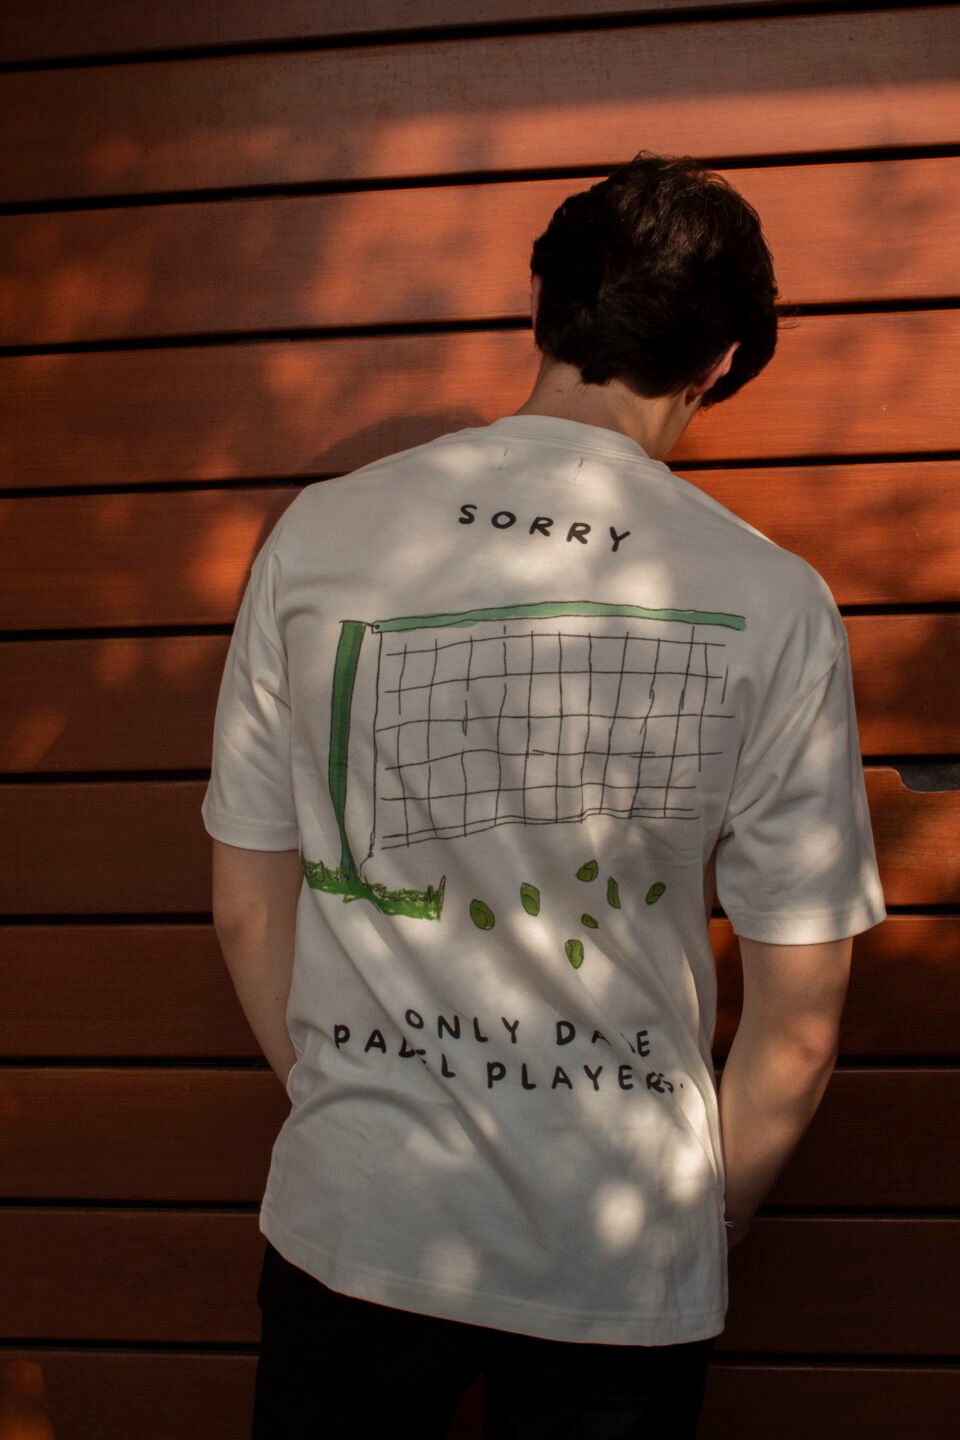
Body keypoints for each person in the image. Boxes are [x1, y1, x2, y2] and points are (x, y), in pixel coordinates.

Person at [201, 150, 886, 1439]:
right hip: (617, 1253)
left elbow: (248, 901)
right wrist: (701, 1217)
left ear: (546, 309)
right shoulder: (774, 599)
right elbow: (799, 1024)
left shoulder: (321, 534)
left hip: (357, 1211)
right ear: (719, 362)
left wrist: (350, 1099)